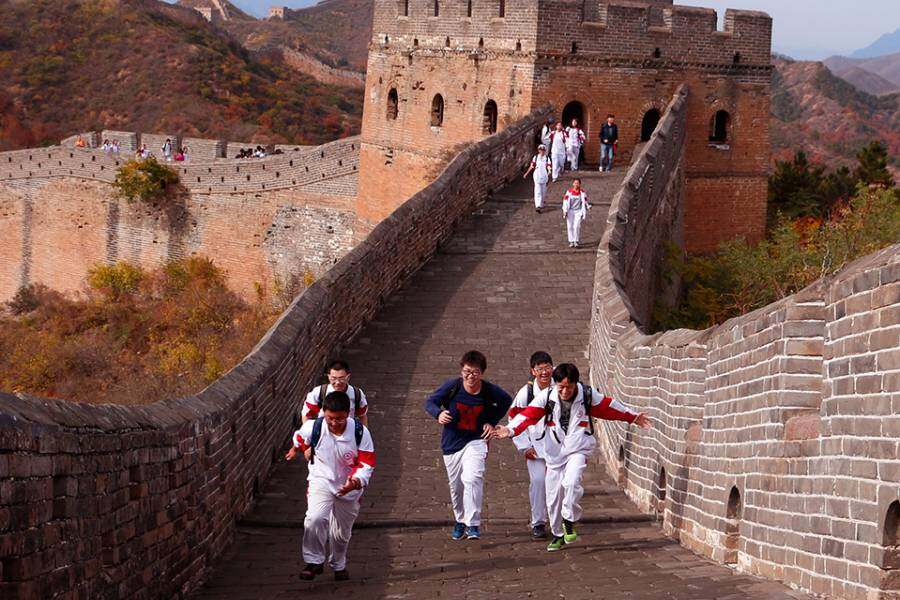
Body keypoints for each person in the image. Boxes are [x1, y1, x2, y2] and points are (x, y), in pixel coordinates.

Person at [494, 363, 651, 552]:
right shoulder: (547, 397)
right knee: (553, 498)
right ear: (556, 384)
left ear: (576, 383)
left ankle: (569, 519)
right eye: (561, 387)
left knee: (571, 482)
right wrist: (510, 430)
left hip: (578, 448)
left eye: (569, 387)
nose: (565, 391)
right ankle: (558, 534)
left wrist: (632, 417)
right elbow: (527, 415)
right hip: (554, 452)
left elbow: (609, 407)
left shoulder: (587, 395)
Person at [286, 391, 375, 581]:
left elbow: (367, 463)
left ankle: (338, 564)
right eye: (330, 418)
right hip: (321, 480)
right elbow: (300, 438)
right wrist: (297, 449)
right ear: (324, 413)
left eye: (340, 419)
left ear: (348, 415)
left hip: (349, 487)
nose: (334, 423)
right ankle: (314, 561)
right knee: (315, 518)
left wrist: (355, 482)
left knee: (341, 534)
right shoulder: (314, 427)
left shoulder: (360, 432)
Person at [425, 350, 513, 540]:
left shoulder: (489, 390)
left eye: (475, 373)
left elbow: (507, 401)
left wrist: (491, 420)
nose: (470, 376)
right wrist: (438, 414)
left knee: (473, 478)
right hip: (452, 443)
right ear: (461, 371)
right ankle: (460, 520)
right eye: (466, 372)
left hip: (476, 440)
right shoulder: (453, 387)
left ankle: (473, 524)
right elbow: (430, 402)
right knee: (456, 487)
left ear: (481, 373)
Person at [507, 351, 555, 539]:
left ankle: (561, 519)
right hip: (535, 447)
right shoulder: (525, 394)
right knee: (538, 482)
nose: (544, 372)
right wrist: (524, 446)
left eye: (547, 368)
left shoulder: (561, 387)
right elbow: (513, 420)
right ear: (533, 371)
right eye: (540, 369)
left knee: (561, 484)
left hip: (558, 447)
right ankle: (538, 522)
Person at [302, 359, 368, 426]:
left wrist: (364, 433)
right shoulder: (319, 393)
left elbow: (362, 415)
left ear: (348, 377)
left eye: (341, 378)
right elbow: (307, 414)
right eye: (333, 378)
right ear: (328, 377)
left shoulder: (357, 394)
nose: (337, 382)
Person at [523, 144, 552, 212]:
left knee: (543, 191)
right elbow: (532, 166)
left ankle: (541, 204)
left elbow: (549, 166)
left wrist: (549, 171)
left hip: (544, 174)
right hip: (537, 174)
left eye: (543, 150)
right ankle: (538, 205)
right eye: (540, 150)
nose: (542, 151)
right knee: (537, 190)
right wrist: (526, 173)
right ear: (538, 150)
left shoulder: (547, 158)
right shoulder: (535, 157)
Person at [562, 178, 588, 248]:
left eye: (577, 183)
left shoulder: (582, 192)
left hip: (578, 211)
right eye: (575, 183)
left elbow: (585, 200)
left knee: (576, 226)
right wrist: (565, 210)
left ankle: (576, 241)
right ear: (573, 184)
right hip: (570, 211)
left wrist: (588, 206)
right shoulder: (569, 192)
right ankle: (571, 241)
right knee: (570, 226)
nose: (576, 184)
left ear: (579, 184)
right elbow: (565, 201)